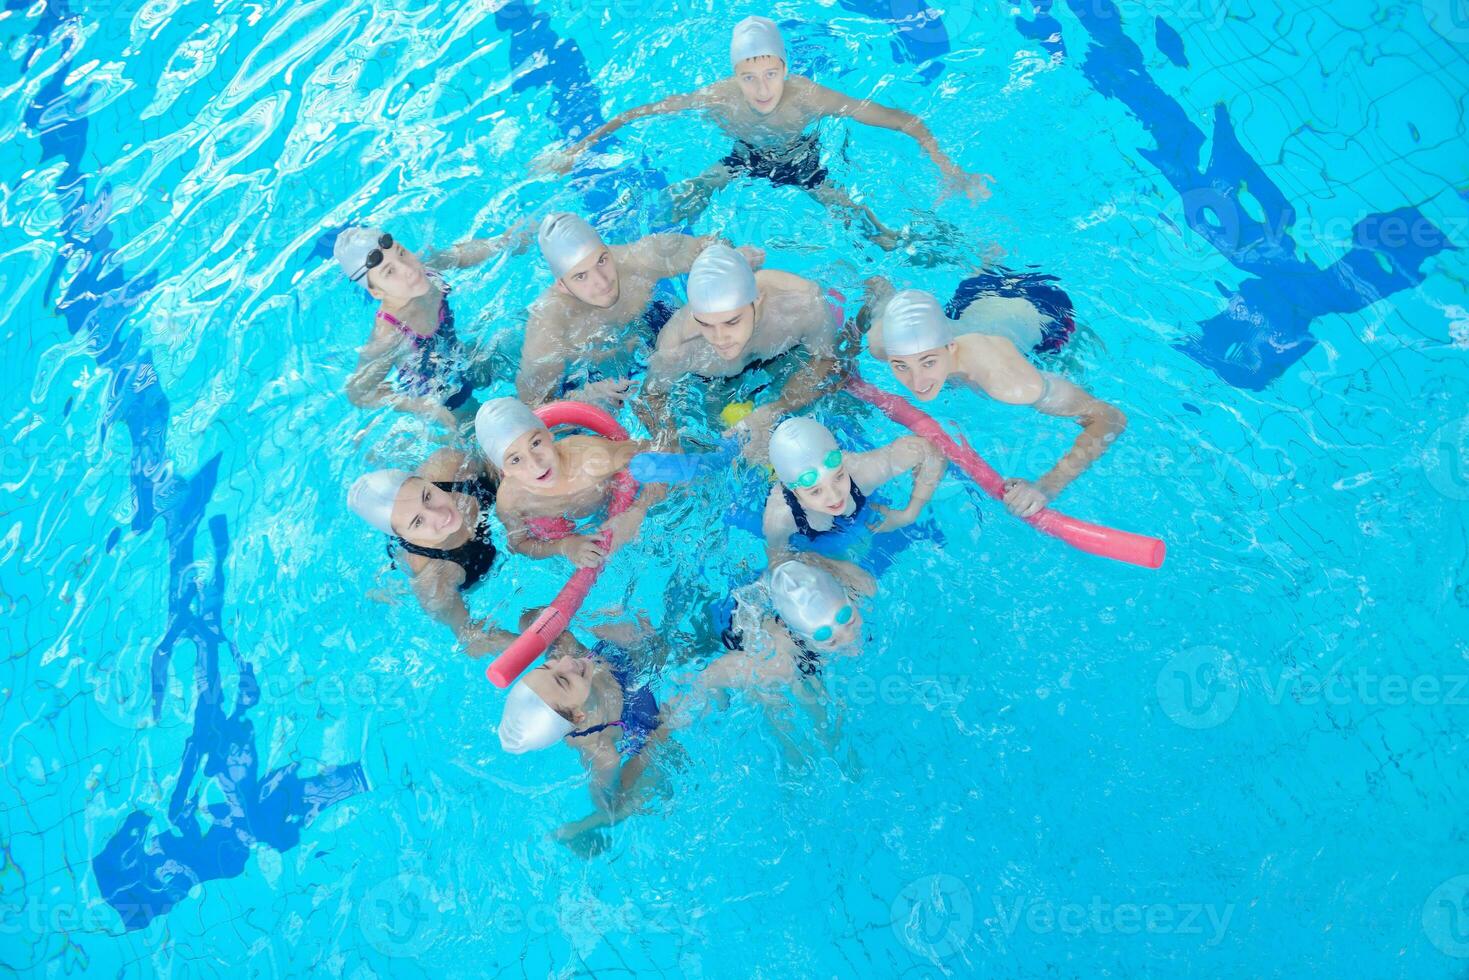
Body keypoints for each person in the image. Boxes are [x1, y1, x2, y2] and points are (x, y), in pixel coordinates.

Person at [547, 16, 991, 247]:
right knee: (674, 206)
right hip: (745, 157)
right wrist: (576, 150)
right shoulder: (717, 97)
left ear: (785, 67)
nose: (762, 89)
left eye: (771, 74)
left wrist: (948, 167)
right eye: (749, 77)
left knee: (870, 228)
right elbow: (639, 112)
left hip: (804, 161)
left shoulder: (810, 97)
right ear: (735, 74)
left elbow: (904, 120)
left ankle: (949, 245)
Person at [859, 283, 1127, 518]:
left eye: (928, 363)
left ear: (950, 347)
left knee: (1069, 364)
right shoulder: (882, 342)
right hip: (975, 295)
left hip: (1042, 310)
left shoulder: (1010, 384)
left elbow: (1109, 418)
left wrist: (1046, 487)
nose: (917, 382)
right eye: (900, 366)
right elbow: (879, 287)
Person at [517, 212, 765, 406]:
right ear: (561, 284)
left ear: (606, 249)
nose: (602, 282)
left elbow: (712, 246)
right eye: (581, 276)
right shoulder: (549, 325)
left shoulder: (640, 258)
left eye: (602, 260)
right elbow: (533, 407)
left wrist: (734, 260)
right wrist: (583, 397)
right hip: (599, 377)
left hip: (657, 328)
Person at [642, 243, 843, 459]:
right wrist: (670, 444)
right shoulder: (679, 345)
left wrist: (775, 409)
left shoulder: (803, 303)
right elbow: (651, 395)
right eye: (706, 324)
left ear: (757, 298)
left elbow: (828, 361)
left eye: (732, 322)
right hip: (713, 383)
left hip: (786, 357)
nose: (719, 339)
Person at [497, 615, 669, 844]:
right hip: (643, 721)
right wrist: (665, 730)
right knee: (645, 789)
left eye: (546, 666)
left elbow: (534, 617)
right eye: (563, 681)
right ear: (578, 716)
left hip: (634, 662)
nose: (565, 661)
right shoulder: (602, 753)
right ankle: (577, 829)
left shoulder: (565, 655)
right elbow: (611, 803)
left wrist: (591, 624)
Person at [334, 225, 514, 429]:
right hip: (442, 401)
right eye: (389, 271)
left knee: (515, 338)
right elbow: (358, 393)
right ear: (376, 292)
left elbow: (461, 255)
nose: (408, 269)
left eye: (401, 253)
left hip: (464, 360)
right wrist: (418, 405)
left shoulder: (427, 271)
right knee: (490, 429)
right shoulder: (389, 335)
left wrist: (507, 241)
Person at [347, 449, 516, 656]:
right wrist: (538, 640)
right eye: (418, 521)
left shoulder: (447, 465)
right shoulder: (434, 580)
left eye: (427, 496)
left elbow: (492, 459)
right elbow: (470, 639)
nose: (440, 514)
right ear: (404, 537)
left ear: (425, 482)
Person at [476, 397, 668, 568]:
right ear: (504, 471)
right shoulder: (510, 500)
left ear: (549, 435)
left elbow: (664, 460)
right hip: (563, 526)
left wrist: (637, 511)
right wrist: (565, 546)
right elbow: (518, 545)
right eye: (515, 460)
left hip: (609, 497)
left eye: (535, 443)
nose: (535, 464)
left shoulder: (592, 459)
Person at [763, 416, 944, 578]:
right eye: (816, 491)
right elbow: (779, 567)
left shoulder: (860, 471)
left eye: (839, 476)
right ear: (794, 492)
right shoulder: (781, 517)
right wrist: (832, 566)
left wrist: (909, 514)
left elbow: (931, 450)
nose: (834, 497)